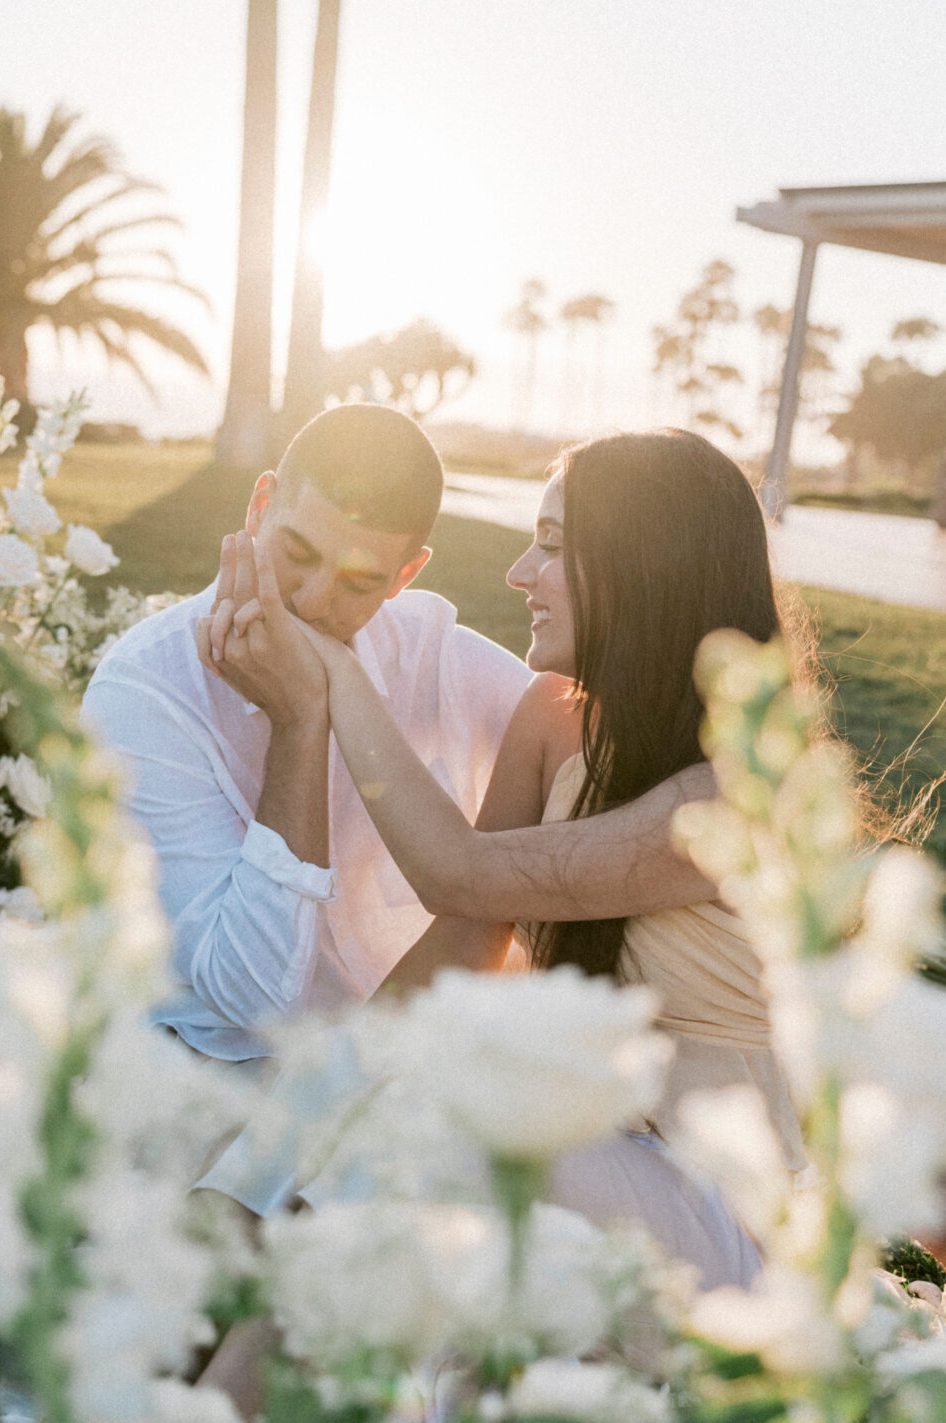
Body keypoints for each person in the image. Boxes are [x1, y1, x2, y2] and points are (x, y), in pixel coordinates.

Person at [201, 429, 808, 1289]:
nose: (520, 572)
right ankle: (209, 1397)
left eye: (554, 547)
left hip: (712, 1209)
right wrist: (287, 1133)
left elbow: (459, 872)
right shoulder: (553, 716)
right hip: (575, 1149)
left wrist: (331, 670)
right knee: (298, 1143)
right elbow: (463, 941)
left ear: (646, 567)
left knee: (434, 1134)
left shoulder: (734, 793)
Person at [83, 406, 714, 1206]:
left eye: (358, 583)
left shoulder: (431, 653)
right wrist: (299, 726)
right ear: (259, 505)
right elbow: (251, 1001)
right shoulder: (147, 691)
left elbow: (598, 748)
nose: (311, 604)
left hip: (392, 1063)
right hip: (220, 1072)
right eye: (295, 555)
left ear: (406, 575)